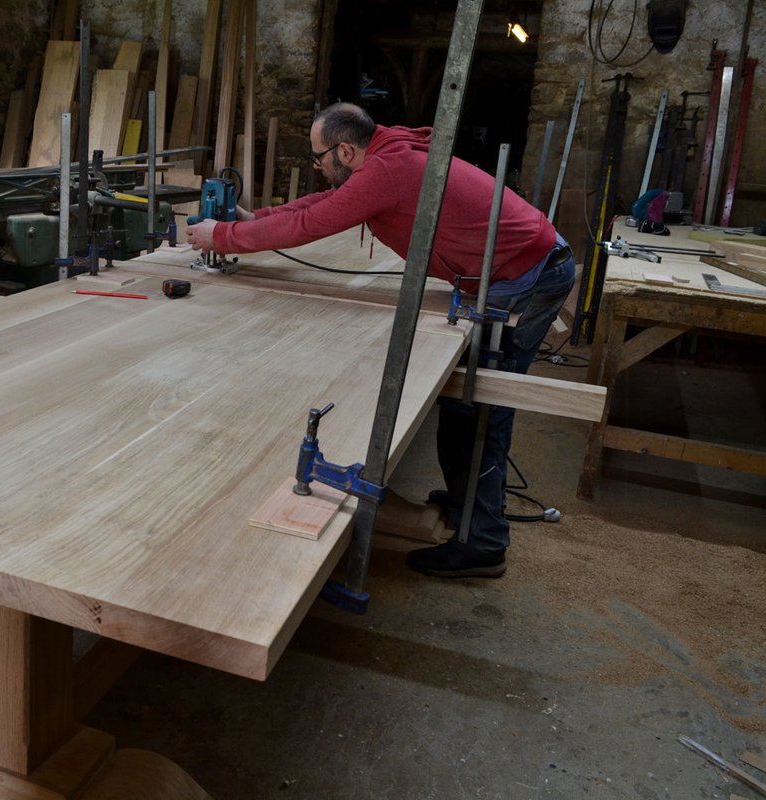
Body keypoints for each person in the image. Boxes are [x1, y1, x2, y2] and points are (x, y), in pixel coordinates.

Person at [187, 102, 575, 579]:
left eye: (318, 157)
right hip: (519, 268)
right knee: (464, 405)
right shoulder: (385, 157)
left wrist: (222, 236)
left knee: (478, 408)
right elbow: (317, 206)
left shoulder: (388, 170)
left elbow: (311, 224)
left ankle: (484, 542)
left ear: (345, 151)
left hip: (526, 277)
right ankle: (466, 505)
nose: (316, 166)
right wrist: (251, 219)